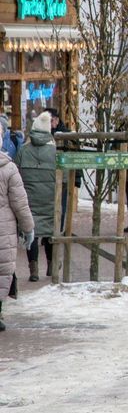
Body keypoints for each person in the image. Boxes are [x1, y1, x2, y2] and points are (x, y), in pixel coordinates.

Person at [16, 112, 55, 280]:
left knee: (31, 232)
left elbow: (16, 174)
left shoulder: (23, 150)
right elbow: (64, 177)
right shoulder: (55, 152)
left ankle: (34, 270)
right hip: (50, 199)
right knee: (50, 232)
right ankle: (51, 266)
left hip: (30, 199)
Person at [0, 144, 34, 331]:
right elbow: (20, 203)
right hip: (3, 229)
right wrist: (28, 228)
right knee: (1, 270)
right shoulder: (8, 168)